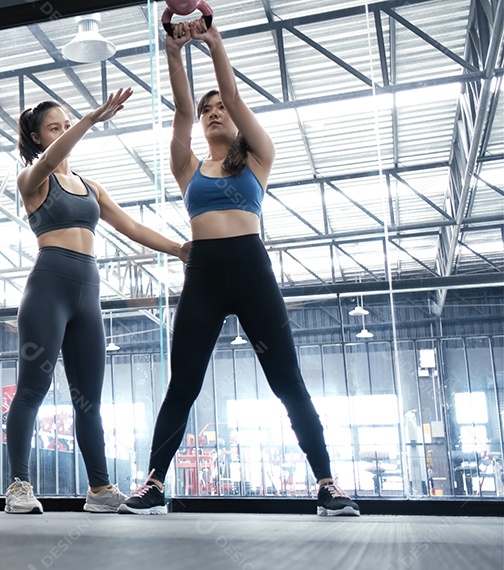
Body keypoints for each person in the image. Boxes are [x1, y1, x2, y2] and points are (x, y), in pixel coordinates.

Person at [118, 18, 360, 517]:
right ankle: (154, 483)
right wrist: (172, 54)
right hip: (204, 273)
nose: (212, 113)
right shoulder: (187, 166)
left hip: (250, 268)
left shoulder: (257, 159)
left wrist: (213, 42)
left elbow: (233, 92)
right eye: (208, 111)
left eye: (220, 109)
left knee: (285, 379)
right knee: (182, 384)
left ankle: (327, 483)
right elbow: (182, 108)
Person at [4, 90, 189, 514]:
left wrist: (179, 249)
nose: (65, 131)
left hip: (88, 293)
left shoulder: (91, 188)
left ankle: (100, 490)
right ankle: (18, 485)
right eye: (56, 127)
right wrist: (90, 118)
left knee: (88, 397)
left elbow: (132, 228)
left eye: (66, 124)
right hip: (47, 288)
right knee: (33, 388)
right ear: (37, 137)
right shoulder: (33, 178)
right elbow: (51, 159)